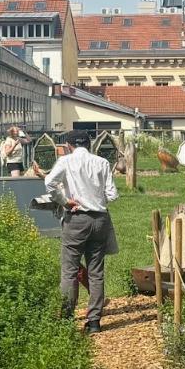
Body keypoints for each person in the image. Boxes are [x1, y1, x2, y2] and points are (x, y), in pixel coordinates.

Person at [43, 129, 119, 332]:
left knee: (69, 270)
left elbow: (49, 182)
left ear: (69, 146)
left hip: (76, 218)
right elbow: (112, 194)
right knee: (96, 271)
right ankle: (94, 321)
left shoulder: (66, 162)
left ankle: (67, 316)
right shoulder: (102, 163)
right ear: (89, 144)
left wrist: (65, 201)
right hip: (100, 219)